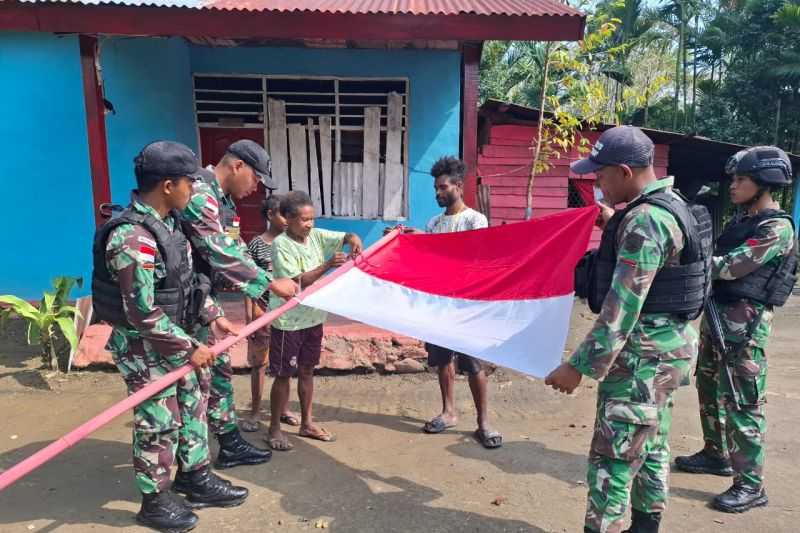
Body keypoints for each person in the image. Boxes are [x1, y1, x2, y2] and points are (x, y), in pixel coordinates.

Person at [545, 126, 712, 533]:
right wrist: (613, 223)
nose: (596, 185)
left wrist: (578, 367)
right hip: (665, 357)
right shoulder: (670, 205)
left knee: (613, 460)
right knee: (651, 448)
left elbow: (621, 310)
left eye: (600, 176)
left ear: (623, 171)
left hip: (639, 363)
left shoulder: (645, 222)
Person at [91, 141, 248, 532]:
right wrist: (189, 346)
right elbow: (141, 311)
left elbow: (186, 282)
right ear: (166, 185)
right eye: (189, 184)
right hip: (145, 349)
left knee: (193, 406)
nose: (194, 191)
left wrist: (211, 316)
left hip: (178, 338)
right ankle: (155, 500)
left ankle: (195, 476)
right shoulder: (131, 238)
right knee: (158, 421)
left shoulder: (172, 224)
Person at [674, 146, 796, 513]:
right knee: (709, 388)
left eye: (741, 179)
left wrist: (687, 256)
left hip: (745, 331)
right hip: (717, 320)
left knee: (743, 402)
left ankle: (751, 485)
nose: (733, 185)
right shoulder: (740, 221)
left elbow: (732, 267)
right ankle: (717, 455)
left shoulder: (777, 227)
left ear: (764, 184)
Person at [181, 139, 295, 469]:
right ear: (237, 166)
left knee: (219, 369)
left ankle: (229, 442)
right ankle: (193, 464)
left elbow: (236, 247)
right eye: (256, 178)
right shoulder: (200, 194)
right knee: (195, 382)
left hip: (203, 300)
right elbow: (219, 252)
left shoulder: (223, 201)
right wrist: (268, 283)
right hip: (184, 303)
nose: (257, 188)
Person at [266, 191, 363, 451]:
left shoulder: (316, 236)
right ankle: (274, 428)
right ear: (287, 219)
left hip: (313, 317)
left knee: (308, 371)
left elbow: (345, 236)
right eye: (304, 220)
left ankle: (307, 422)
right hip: (288, 321)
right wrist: (328, 264)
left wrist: (353, 240)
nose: (310, 224)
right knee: (284, 375)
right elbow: (294, 283)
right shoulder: (281, 245)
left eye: (312, 219)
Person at [417, 156, 502, 449]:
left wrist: (429, 245)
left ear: (458, 186)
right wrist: (412, 243)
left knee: (474, 364)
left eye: (443, 187)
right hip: (439, 304)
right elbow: (428, 261)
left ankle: (483, 422)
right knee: (442, 361)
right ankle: (449, 411)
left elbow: (472, 259)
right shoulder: (433, 223)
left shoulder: (475, 220)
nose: (438, 193)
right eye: (436, 188)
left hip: (467, 304)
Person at [240, 194, 300, 433]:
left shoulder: (293, 242)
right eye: (282, 214)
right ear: (270, 215)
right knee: (259, 364)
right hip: (262, 310)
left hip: (286, 313)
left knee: (285, 364)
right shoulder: (256, 244)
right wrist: (249, 318)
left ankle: (283, 409)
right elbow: (248, 282)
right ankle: (255, 411)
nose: (287, 219)